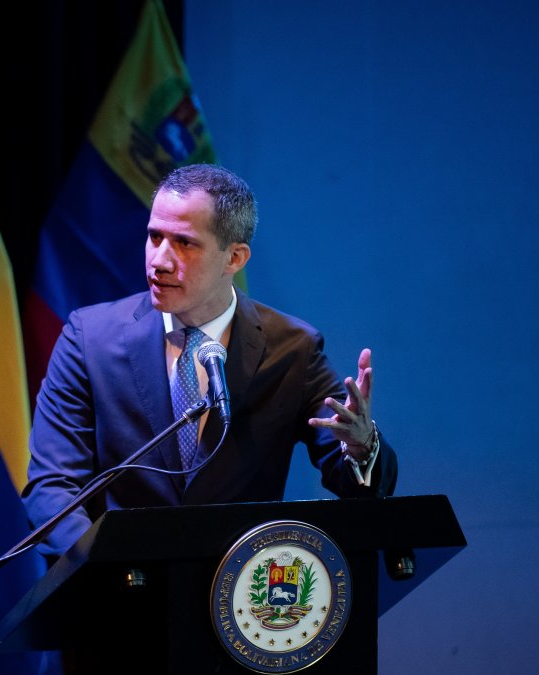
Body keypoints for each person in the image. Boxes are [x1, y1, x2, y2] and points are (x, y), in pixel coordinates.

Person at [22, 163, 398, 558]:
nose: (159, 260)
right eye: (154, 237)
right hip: (112, 593)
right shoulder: (89, 338)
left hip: (236, 600)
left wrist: (362, 446)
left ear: (234, 257)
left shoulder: (293, 350)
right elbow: (52, 486)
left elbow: (359, 488)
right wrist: (107, 563)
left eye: (184, 243)